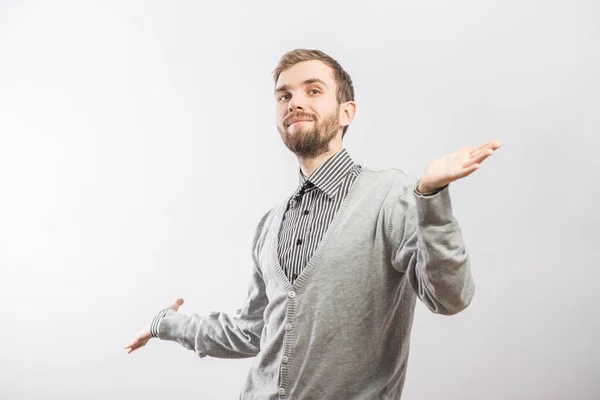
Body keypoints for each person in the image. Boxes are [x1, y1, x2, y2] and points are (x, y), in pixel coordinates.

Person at [124, 48, 501, 399]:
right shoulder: (269, 225)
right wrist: (166, 324)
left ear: (346, 112)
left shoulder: (394, 196)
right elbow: (252, 331)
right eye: (284, 96)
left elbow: (450, 298)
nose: (295, 103)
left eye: (314, 90)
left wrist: (431, 198)